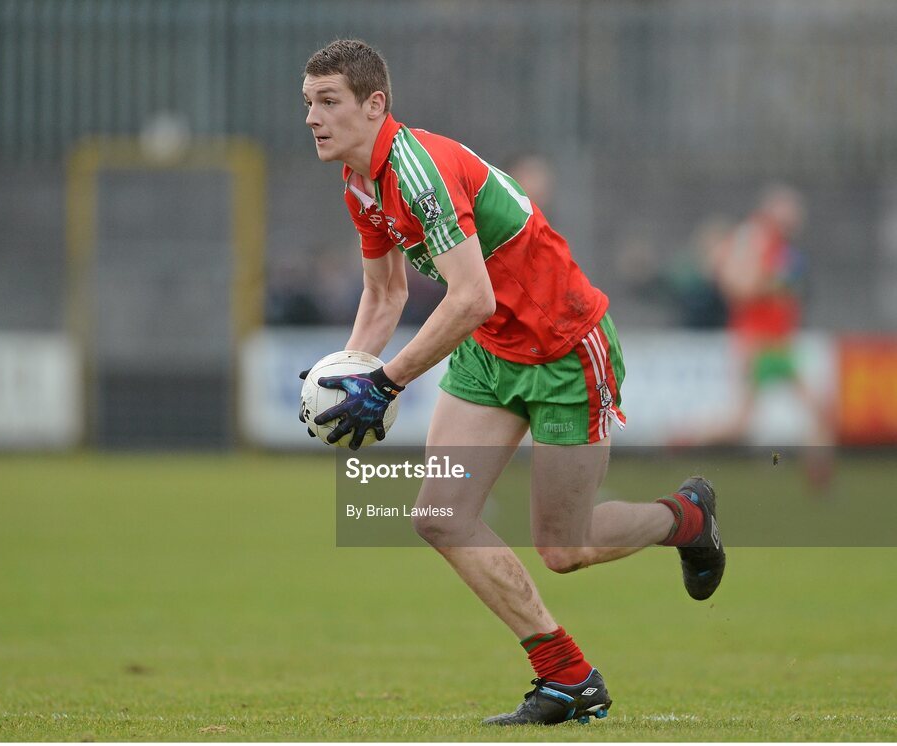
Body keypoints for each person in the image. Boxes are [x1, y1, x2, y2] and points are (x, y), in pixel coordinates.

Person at [299, 39, 725, 726]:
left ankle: (687, 518)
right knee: (439, 517)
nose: (313, 118)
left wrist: (388, 381)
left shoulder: (417, 170)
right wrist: (345, 377)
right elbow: (383, 297)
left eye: (328, 102)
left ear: (375, 104)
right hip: (490, 355)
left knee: (566, 547)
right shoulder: (357, 182)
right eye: (308, 103)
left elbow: (472, 298)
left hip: (563, 346)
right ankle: (566, 678)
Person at [690, 186, 834, 472]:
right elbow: (738, 287)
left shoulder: (776, 243)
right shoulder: (755, 237)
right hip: (759, 341)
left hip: (776, 340)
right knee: (744, 424)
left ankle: (821, 482)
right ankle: (682, 439)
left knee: (812, 410)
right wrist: (774, 283)